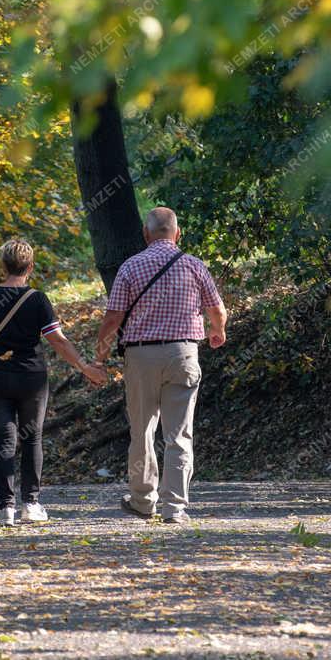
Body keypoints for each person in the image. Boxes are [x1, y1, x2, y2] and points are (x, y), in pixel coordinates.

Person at [93, 207, 227, 524]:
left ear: (146, 233)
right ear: (177, 234)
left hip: (141, 357)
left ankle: (142, 501)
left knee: (142, 431)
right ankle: (175, 508)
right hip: (183, 354)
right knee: (179, 435)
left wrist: (98, 357)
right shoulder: (195, 266)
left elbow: (113, 319)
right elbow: (217, 310)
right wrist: (217, 331)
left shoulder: (130, 267)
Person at [0, 239, 108, 526]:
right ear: (30, 266)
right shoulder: (37, 299)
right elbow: (57, 340)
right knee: (31, 438)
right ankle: (30, 505)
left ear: (3, 265)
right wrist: (84, 366)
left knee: (3, 440)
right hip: (31, 378)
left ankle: (5, 508)